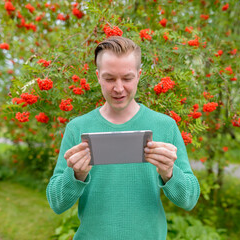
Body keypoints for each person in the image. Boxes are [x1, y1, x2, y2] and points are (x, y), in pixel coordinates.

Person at [46, 36, 200, 240]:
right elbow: (57, 204)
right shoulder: (77, 128)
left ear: (139, 75)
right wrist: (76, 175)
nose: (118, 88)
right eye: (109, 79)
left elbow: (188, 200)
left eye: (127, 78)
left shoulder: (165, 126)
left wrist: (169, 173)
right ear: (98, 76)